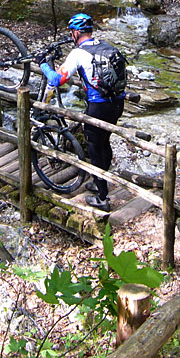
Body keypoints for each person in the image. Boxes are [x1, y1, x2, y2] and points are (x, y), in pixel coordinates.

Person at [37, 13, 125, 212]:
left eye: (71, 32)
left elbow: (56, 80)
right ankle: (99, 180)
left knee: (94, 146)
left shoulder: (78, 53)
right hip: (117, 103)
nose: (71, 35)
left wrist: (42, 63)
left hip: (98, 105)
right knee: (105, 141)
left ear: (76, 33)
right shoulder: (107, 46)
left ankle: (102, 197)